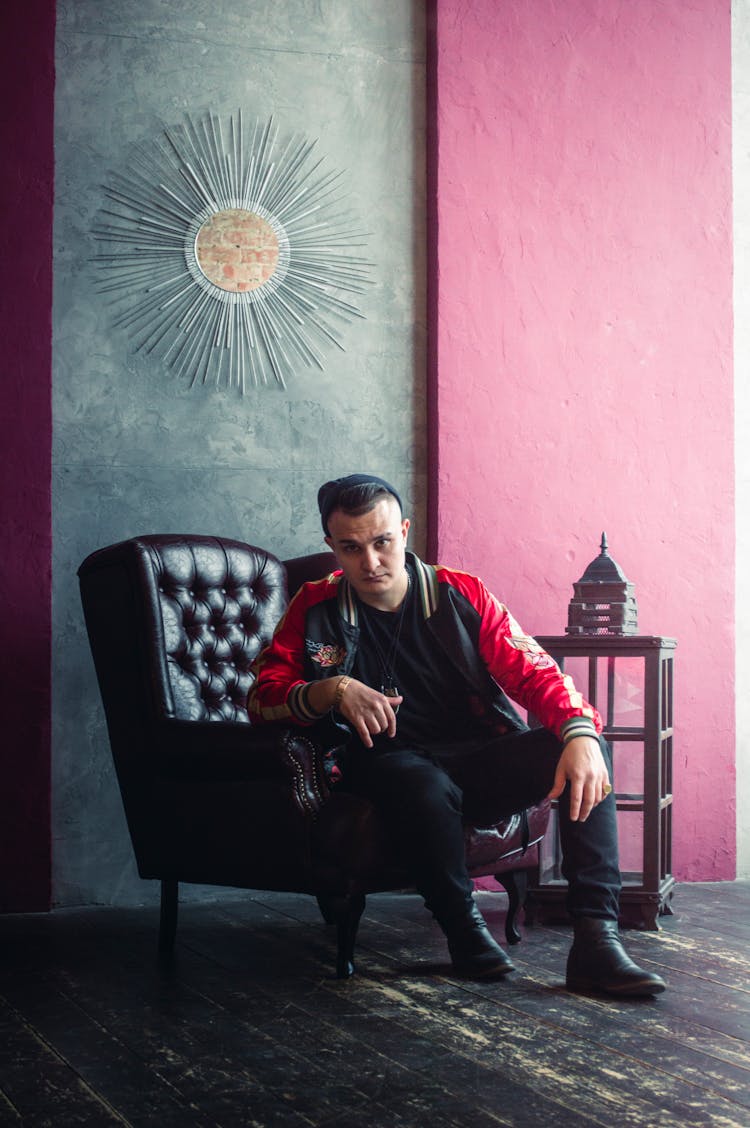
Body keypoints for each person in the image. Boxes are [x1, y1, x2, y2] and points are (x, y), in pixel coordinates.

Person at [248, 474, 666, 997]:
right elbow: (262, 698)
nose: (371, 562)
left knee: (585, 746)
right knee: (422, 782)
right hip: (385, 763)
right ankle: (464, 934)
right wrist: (330, 690)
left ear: (403, 532)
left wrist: (579, 731)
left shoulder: (459, 593)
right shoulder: (313, 606)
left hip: (476, 758)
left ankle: (597, 942)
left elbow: (533, 670)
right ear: (332, 545)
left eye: (382, 543)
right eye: (351, 548)